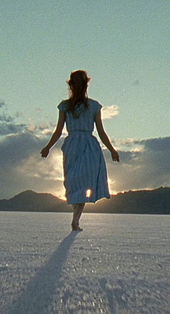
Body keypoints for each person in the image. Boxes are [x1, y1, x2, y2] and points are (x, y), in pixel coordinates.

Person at [41, 70, 120, 231]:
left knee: (75, 182)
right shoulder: (71, 106)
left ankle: (75, 219)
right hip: (86, 145)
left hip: (75, 144)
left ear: (70, 85)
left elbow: (58, 132)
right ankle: (76, 219)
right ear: (86, 85)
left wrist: (48, 147)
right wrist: (111, 149)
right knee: (80, 183)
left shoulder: (86, 106)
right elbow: (101, 132)